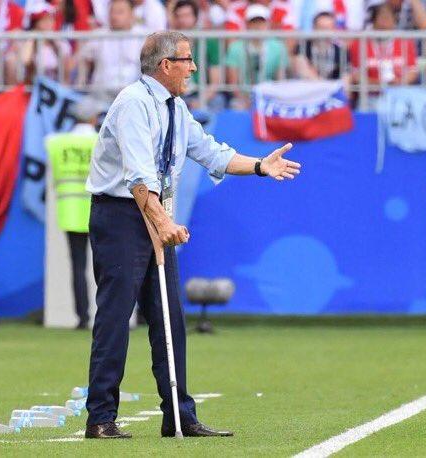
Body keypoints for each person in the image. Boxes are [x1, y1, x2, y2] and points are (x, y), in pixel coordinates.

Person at [84, 30, 301, 439]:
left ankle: (179, 415)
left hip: (153, 211)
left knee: (170, 317)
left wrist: (259, 166)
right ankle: (100, 417)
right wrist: (164, 222)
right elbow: (137, 176)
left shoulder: (175, 108)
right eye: (187, 60)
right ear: (165, 65)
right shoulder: (133, 104)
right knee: (116, 315)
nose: (194, 68)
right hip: (121, 214)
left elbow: (211, 152)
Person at [46, 97, 104, 330]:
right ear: (92, 118)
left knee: (78, 267)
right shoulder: (102, 142)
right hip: (100, 211)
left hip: (70, 212)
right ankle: (106, 318)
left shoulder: (56, 143)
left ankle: (82, 318)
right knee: (106, 268)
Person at [225, 4, 289, 109]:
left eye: (261, 22)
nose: (257, 26)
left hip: (269, 96)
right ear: (247, 24)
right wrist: (244, 100)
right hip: (242, 98)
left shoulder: (278, 47)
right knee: (236, 107)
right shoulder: (235, 47)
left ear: (267, 24)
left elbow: (280, 79)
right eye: (253, 22)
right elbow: (233, 83)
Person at [74, 0, 144, 92]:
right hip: (100, 94)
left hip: (133, 95)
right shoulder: (98, 35)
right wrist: (80, 83)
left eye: (120, 12)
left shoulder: (143, 37)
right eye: (112, 11)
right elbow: (82, 60)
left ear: (132, 14)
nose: (114, 16)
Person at [349, 2, 418, 89]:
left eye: (388, 17)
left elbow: (412, 71)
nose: (385, 21)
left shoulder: (405, 42)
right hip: (370, 96)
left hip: (399, 95)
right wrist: (378, 84)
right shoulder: (360, 43)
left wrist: (399, 82)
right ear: (373, 20)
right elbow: (356, 75)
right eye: (382, 17)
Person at [293, 11, 348, 81]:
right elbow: (303, 71)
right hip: (310, 90)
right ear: (313, 28)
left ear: (334, 30)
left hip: (333, 91)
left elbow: (346, 80)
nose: (324, 32)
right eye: (321, 28)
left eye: (328, 28)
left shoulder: (341, 52)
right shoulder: (302, 47)